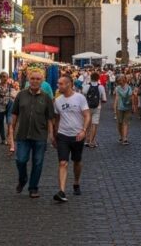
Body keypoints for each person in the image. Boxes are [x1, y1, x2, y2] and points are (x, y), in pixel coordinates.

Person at [8, 67, 56, 198]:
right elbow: (14, 115)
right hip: (22, 134)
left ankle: (33, 187)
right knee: (21, 160)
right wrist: (10, 134)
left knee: (38, 162)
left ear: (42, 81)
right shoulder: (21, 95)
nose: (35, 81)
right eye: (33, 78)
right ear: (28, 79)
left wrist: (51, 135)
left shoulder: (46, 98)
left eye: (38, 79)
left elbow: (50, 118)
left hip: (40, 135)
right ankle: (22, 179)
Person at [52, 75, 91, 203]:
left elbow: (87, 115)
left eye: (61, 84)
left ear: (68, 84)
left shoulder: (80, 98)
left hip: (77, 135)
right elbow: (56, 119)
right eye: (58, 83)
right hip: (63, 135)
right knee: (63, 162)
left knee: (77, 161)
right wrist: (54, 134)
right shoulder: (58, 101)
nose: (58, 86)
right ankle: (62, 191)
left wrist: (84, 130)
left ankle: (76, 182)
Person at [83, 70, 106, 148]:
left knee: (87, 124)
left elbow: (83, 95)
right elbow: (104, 99)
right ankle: (92, 141)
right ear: (98, 78)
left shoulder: (86, 86)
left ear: (91, 78)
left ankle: (86, 140)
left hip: (87, 107)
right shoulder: (101, 87)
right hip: (97, 107)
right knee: (94, 124)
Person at [0, 72, 13, 144]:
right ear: (0, 78)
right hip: (0, 106)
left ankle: (9, 138)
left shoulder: (10, 86)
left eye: (6, 77)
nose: (5, 78)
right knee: (1, 123)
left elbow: (12, 94)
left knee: (9, 122)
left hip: (9, 105)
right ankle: (3, 139)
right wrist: (0, 95)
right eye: (3, 77)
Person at [114, 74, 134, 145]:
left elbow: (131, 97)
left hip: (128, 108)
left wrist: (133, 106)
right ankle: (121, 136)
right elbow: (116, 98)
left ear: (124, 80)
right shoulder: (117, 88)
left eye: (121, 80)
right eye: (119, 80)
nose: (120, 82)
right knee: (120, 123)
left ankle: (125, 138)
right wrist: (114, 108)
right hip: (119, 108)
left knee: (125, 123)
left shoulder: (129, 88)